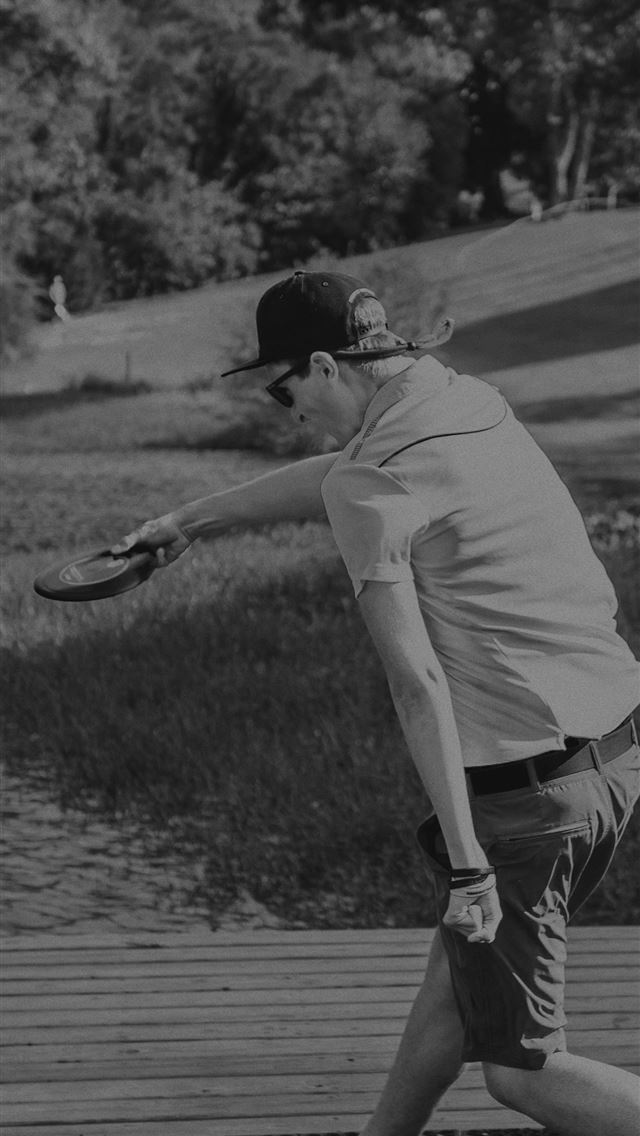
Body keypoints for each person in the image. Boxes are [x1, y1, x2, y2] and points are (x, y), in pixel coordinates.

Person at [112, 270, 640, 1136]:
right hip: (612, 755)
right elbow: (350, 473)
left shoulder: (373, 483)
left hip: (529, 799)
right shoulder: (465, 402)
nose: (288, 411)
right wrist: (192, 521)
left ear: (325, 365)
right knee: (456, 986)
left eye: (284, 389)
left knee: (524, 1077)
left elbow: (416, 683)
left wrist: (467, 866)